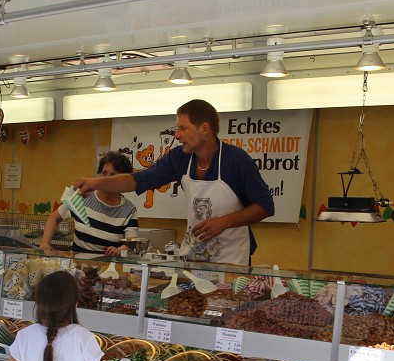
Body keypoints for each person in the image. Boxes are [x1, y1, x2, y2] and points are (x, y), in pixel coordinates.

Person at [72, 99, 274, 265]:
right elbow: (137, 180)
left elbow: (265, 206)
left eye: (183, 128)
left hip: (231, 260)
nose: (177, 135)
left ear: (204, 128)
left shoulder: (236, 160)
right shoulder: (180, 158)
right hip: (193, 256)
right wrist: (95, 183)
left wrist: (225, 221)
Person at [40, 151, 138, 256]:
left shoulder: (129, 210)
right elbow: (54, 217)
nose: (106, 178)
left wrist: (118, 250)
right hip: (77, 266)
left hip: (108, 269)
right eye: (104, 173)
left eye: (113, 175)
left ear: (122, 182)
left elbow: (131, 244)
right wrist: (45, 243)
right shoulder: (82, 197)